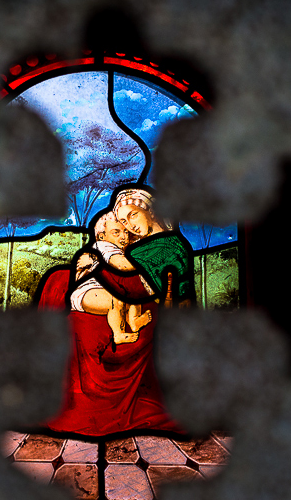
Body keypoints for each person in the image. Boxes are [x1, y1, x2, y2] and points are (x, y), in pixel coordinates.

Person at [36, 185, 194, 436]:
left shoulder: (167, 246)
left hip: (128, 296)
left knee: (70, 286)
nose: (129, 228)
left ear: (150, 210)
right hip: (111, 292)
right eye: (121, 222)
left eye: (132, 216)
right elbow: (117, 270)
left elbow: (176, 295)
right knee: (59, 281)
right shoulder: (133, 246)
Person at [69, 212, 152, 345]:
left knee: (132, 293)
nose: (123, 236)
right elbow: (122, 265)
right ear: (102, 236)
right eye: (116, 232)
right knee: (116, 299)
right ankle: (118, 334)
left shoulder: (121, 249)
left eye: (126, 231)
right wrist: (146, 261)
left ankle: (134, 320)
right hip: (86, 292)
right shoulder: (102, 246)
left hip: (108, 289)